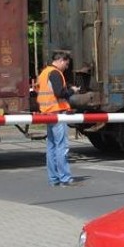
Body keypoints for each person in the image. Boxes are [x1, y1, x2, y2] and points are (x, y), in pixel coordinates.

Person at [37, 51, 80, 187]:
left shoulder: (44, 73)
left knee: (51, 147)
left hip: (47, 112)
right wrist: (72, 90)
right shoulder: (55, 73)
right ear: (61, 60)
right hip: (57, 112)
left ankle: (54, 179)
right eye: (66, 64)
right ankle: (65, 179)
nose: (66, 67)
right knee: (61, 146)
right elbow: (59, 93)